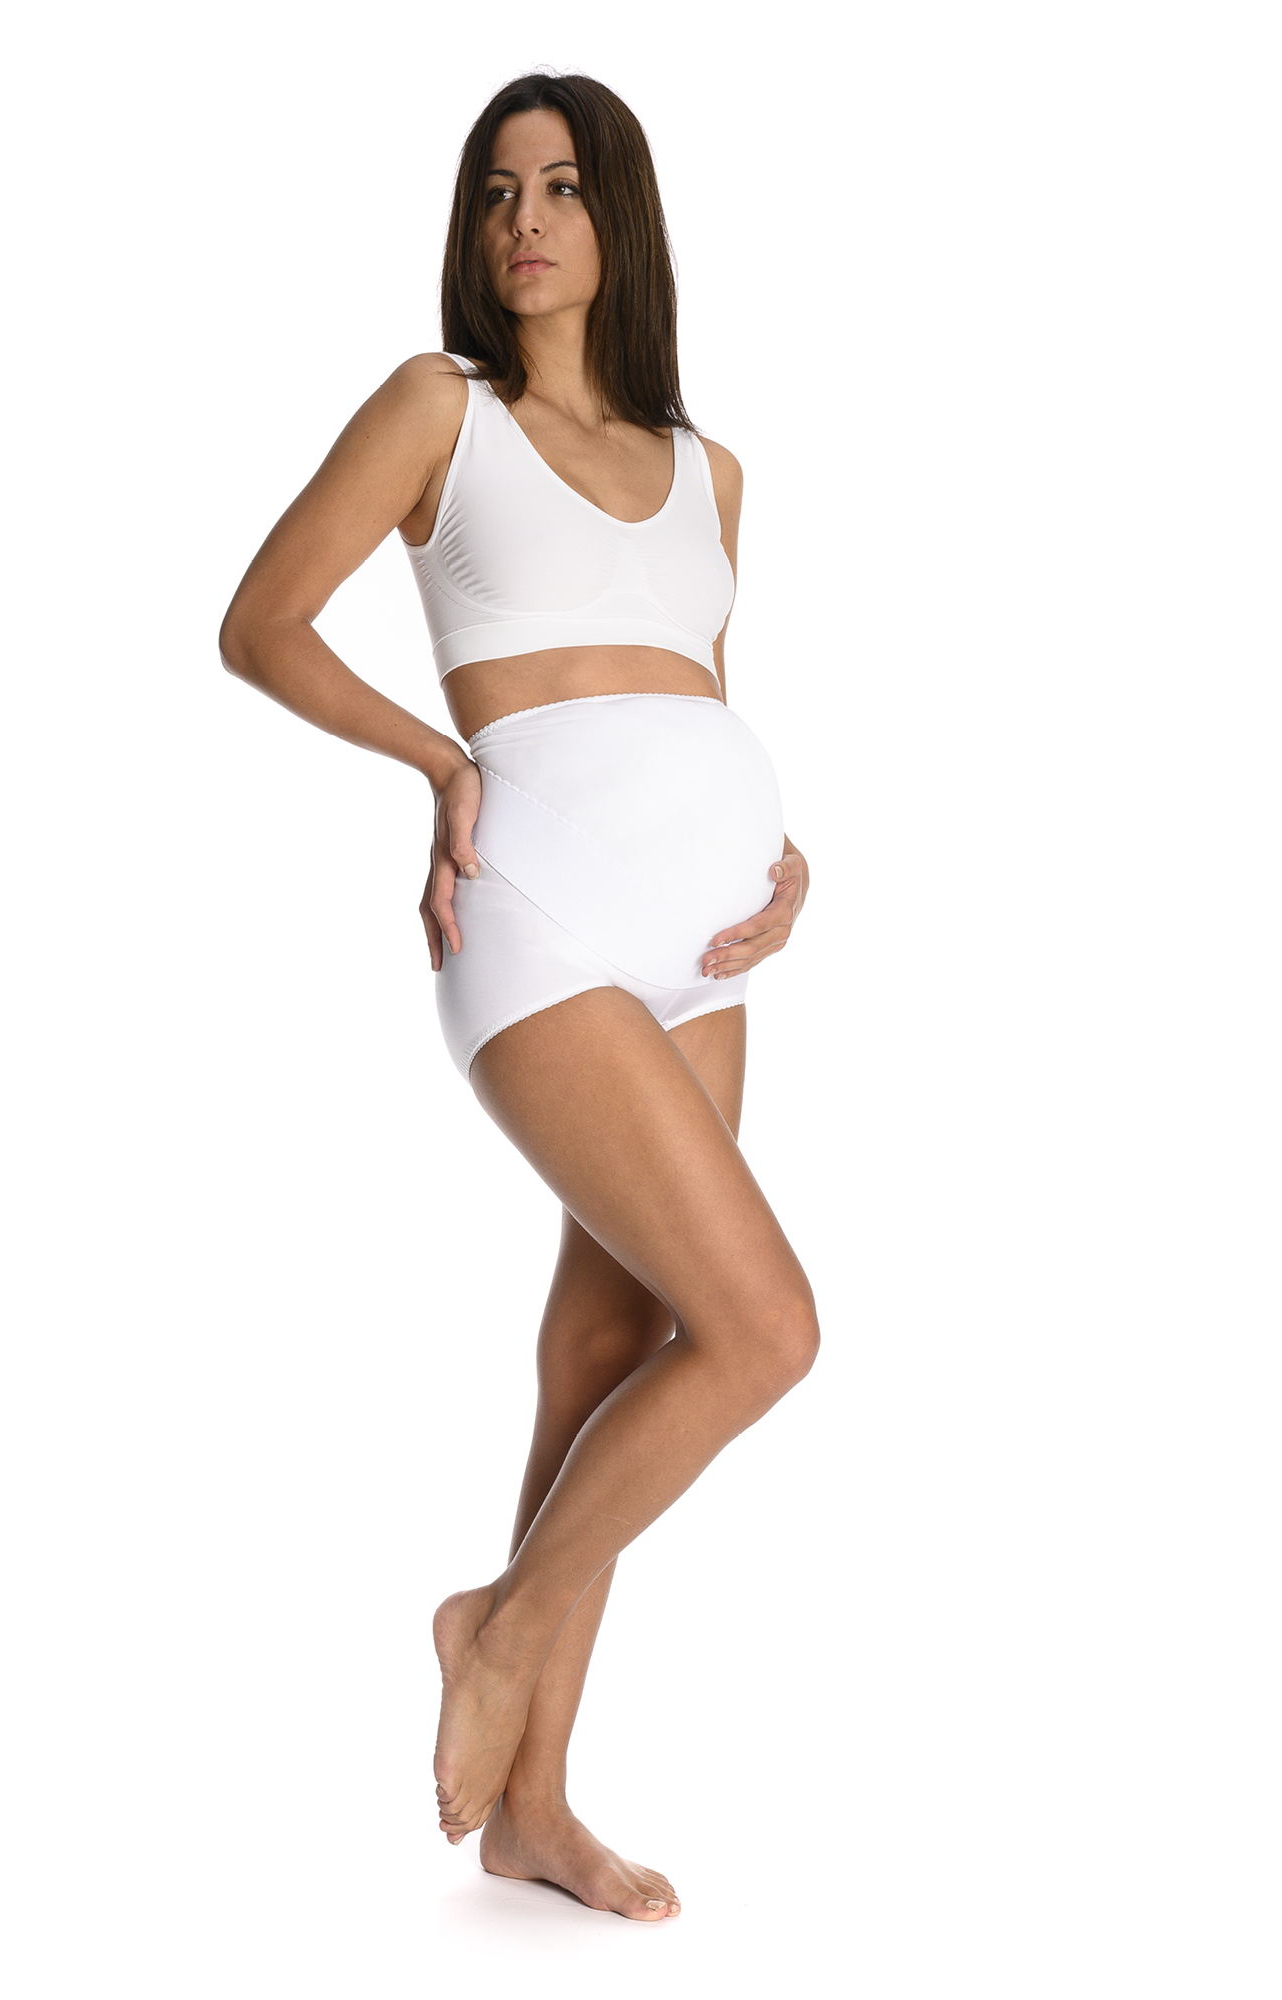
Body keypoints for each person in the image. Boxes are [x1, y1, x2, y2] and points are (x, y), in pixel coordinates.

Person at [219, 71, 817, 1924]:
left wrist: (784, 860)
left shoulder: (713, 473)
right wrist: (436, 765)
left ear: (619, 218)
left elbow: (692, 697)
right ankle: (496, 1623)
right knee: (764, 1330)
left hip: (707, 947)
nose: (525, 222)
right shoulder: (440, 409)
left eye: (559, 188)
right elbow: (259, 624)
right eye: (496, 192)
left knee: (607, 1348)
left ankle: (532, 1808)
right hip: (538, 916)